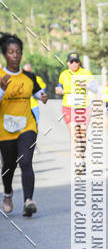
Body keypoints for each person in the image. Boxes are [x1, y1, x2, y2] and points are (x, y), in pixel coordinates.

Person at [0, 34, 48, 216]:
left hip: (27, 126)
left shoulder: (28, 76)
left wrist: (42, 96)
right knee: (9, 165)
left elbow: (36, 92)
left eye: (18, 52)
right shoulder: (0, 76)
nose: (15, 55)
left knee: (26, 161)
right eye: (11, 52)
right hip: (4, 129)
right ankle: (7, 193)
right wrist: (2, 89)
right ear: (5, 54)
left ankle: (28, 200)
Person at [55, 52, 93, 160]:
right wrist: (58, 90)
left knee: (82, 133)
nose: (74, 64)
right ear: (67, 63)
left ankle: (82, 155)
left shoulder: (86, 73)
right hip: (68, 107)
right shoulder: (64, 74)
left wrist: (86, 85)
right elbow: (59, 87)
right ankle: (78, 159)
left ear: (79, 62)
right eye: (71, 62)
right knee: (74, 133)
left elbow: (95, 87)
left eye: (76, 61)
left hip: (84, 107)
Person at [22, 62, 46, 128]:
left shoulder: (37, 79)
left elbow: (43, 90)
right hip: (23, 107)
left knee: (35, 125)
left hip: (34, 106)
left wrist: (38, 95)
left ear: (31, 70)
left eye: (28, 71)